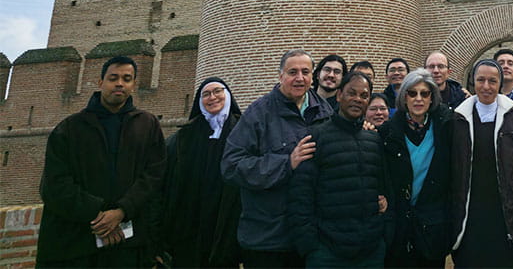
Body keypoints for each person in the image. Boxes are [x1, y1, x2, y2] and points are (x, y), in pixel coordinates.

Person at [36, 56, 166, 267]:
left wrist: (121, 211)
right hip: (75, 243)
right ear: (100, 82)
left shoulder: (147, 125)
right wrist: (99, 217)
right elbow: (55, 184)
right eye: (113, 78)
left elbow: (154, 177)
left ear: (133, 85)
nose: (120, 83)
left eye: (127, 78)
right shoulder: (70, 128)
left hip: (128, 244)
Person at [220, 49, 334, 267]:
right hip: (269, 239)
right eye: (292, 72)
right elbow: (231, 165)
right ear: (280, 76)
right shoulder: (258, 113)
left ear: (313, 76)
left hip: (312, 238)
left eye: (305, 72)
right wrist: (286, 163)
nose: (299, 78)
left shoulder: (325, 111)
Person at [290, 71, 392, 267]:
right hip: (327, 251)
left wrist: (383, 232)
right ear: (339, 96)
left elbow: (383, 187)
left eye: (364, 96)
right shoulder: (316, 137)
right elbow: (301, 195)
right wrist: (310, 246)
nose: (357, 99)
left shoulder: (373, 139)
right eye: (351, 93)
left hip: (370, 250)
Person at [450, 59, 513, 268]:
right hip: (471, 217)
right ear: (472, 83)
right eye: (480, 80)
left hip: (511, 216)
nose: (486, 86)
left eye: (492, 81)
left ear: (500, 84)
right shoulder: (457, 121)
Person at [161, 77, 243, 267]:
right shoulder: (184, 136)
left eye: (218, 92)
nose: (212, 97)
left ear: (228, 95)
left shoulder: (244, 131)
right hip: (189, 223)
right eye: (206, 94)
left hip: (226, 223)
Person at [380, 69, 454, 267]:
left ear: (432, 98)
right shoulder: (387, 133)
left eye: (424, 93)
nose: (418, 99)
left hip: (432, 226)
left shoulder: (446, 129)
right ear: (404, 98)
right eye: (412, 93)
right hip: (399, 227)